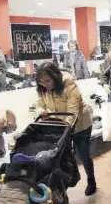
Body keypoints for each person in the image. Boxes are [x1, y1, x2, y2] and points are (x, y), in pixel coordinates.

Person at [35, 62, 96, 196]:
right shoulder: (43, 87)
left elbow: (72, 113)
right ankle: (63, 186)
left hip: (80, 124)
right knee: (61, 156)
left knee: (83, 154)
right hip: (61, 126)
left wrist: (65, 129)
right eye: (41, 82)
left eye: (48, 81)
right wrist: (41, 111)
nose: (45, 84)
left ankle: (91, 180)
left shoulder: (70, 86)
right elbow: (39, 105)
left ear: (55, 77)